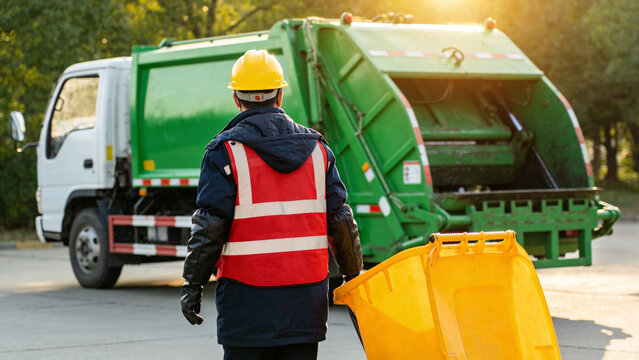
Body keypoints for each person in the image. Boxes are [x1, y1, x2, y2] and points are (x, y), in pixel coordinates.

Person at [180, 49, 363, 360]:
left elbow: (210, 226)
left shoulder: (224, 152)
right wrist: (355, 280)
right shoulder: (319, 150)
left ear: (237, 98)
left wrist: (192, 285)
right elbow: (342, 222)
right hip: (306, 303)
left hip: (246, 303)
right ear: (280, 95)